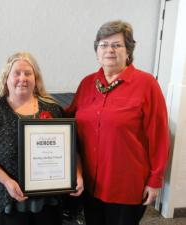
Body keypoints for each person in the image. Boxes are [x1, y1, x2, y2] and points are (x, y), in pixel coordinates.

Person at [66, 20, 170, 225]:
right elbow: (69, 117)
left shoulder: (146, 84)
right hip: (89, 184)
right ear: (97, 50)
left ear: (128, 50)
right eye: (103, 45)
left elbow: (159, 137)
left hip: (126, 187)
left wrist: (155, 181)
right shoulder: (88, 83)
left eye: (117, 45)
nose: (109, 50)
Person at [0, 52, 84, 225]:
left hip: (48, 200)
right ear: (6, 78)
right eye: (17, 73)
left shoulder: (52, 109)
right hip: (9, 198)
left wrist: (77, 175)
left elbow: (71, 148)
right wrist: (6, 181)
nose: (22, 78)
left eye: (28, 73)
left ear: (35, 79)